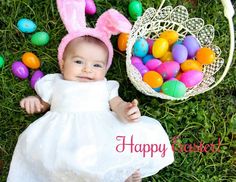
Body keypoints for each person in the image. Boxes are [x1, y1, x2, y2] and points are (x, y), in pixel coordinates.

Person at [7, 1, 174, 181]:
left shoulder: (105, 86)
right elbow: (43, 104)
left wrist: (125, 110)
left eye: (96, 65)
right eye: (78, 62)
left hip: (100, 131)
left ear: (105, 69)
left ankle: (119, 175)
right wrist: (35, 102)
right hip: (61, 136)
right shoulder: (54, 83)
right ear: (63, 65)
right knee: (60, 164)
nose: (87, 69)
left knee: (108, 156)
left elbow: (116, 103)